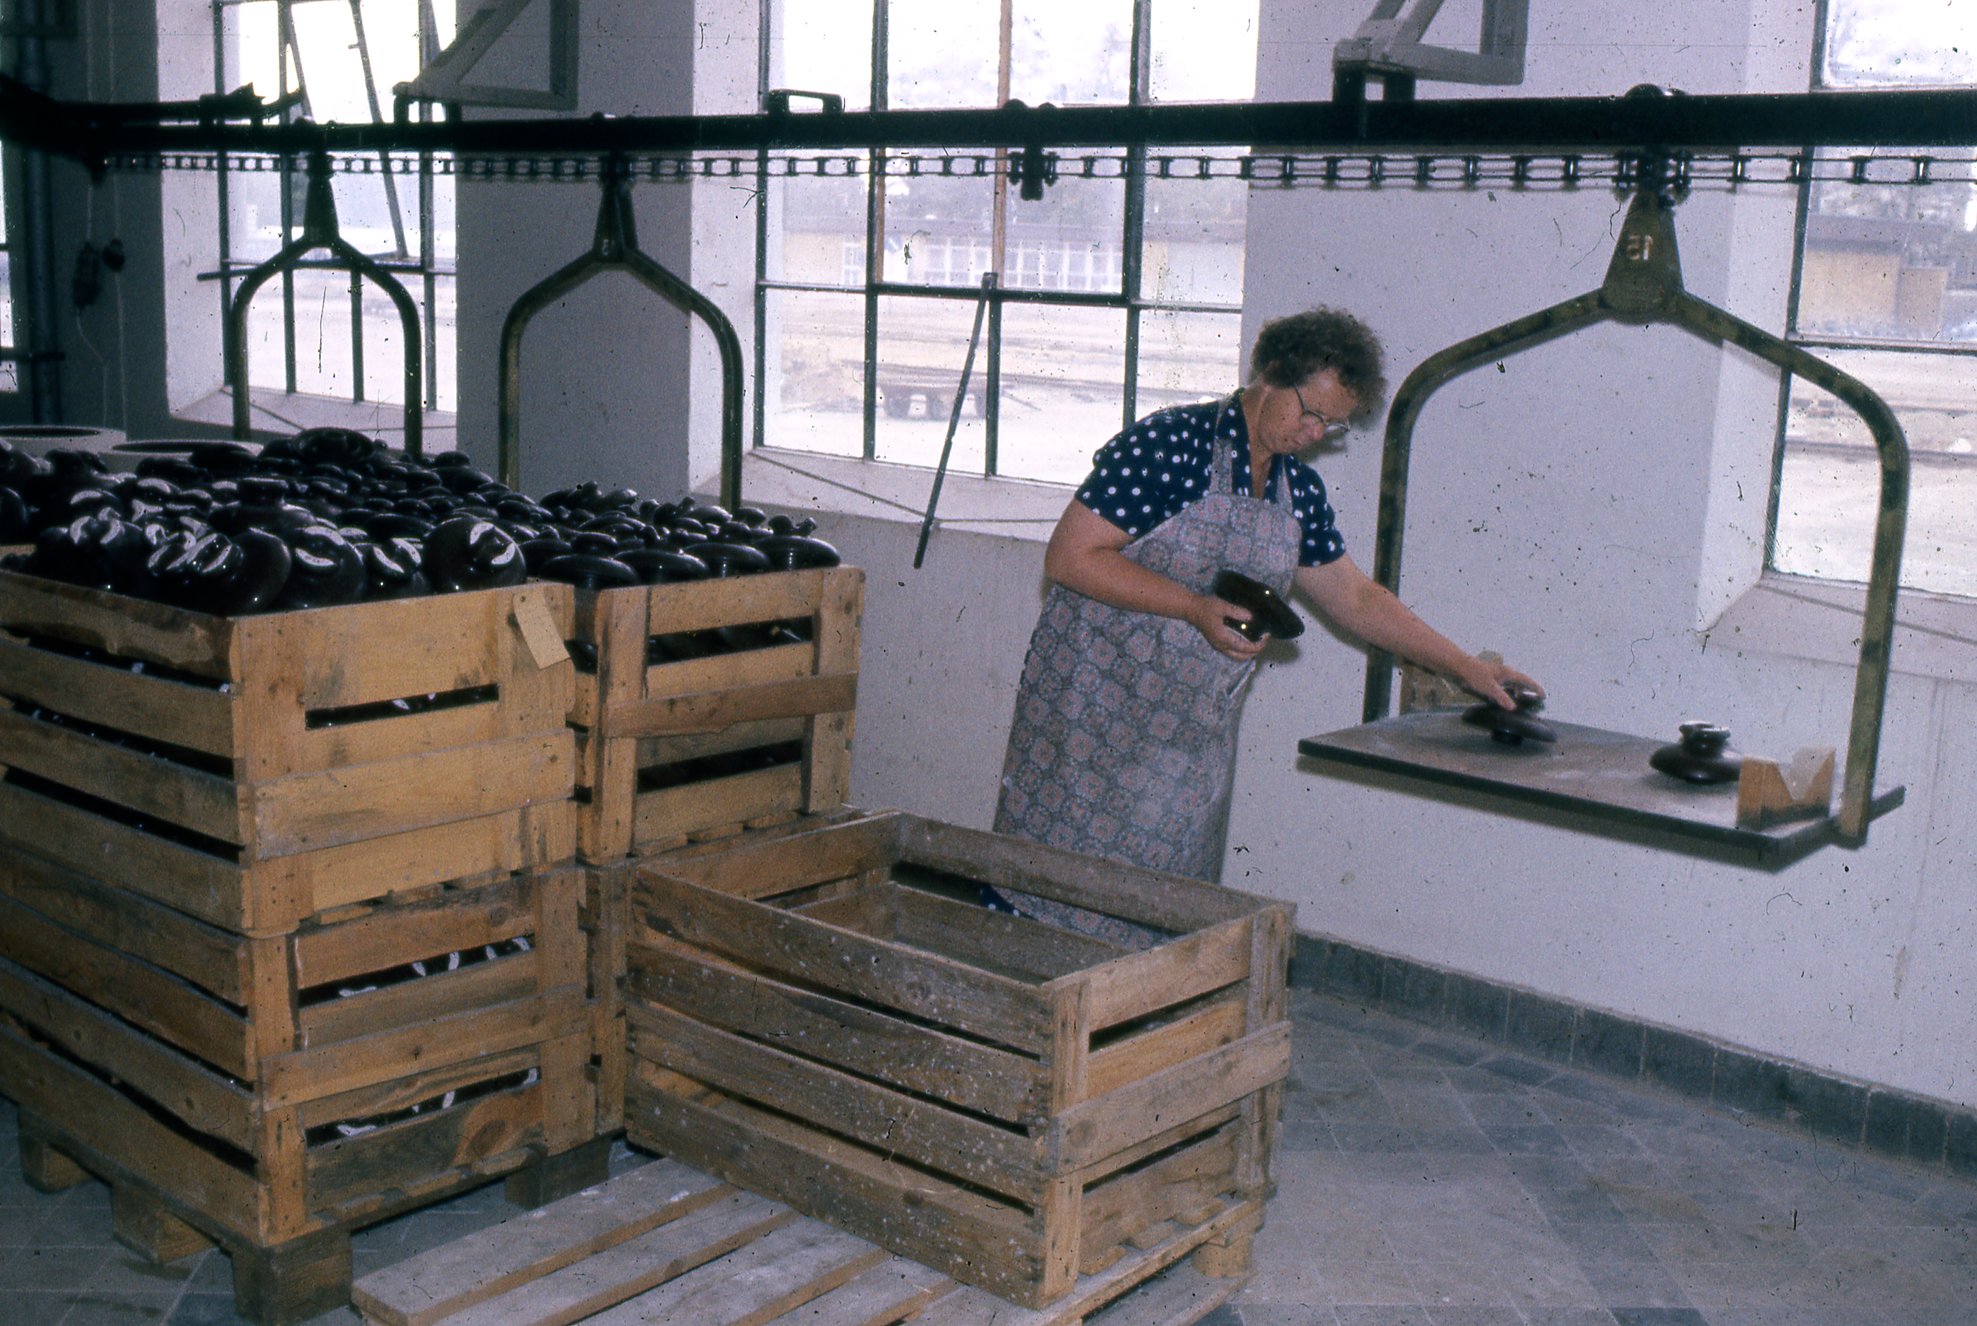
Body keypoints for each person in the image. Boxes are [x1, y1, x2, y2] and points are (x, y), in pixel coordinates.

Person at [991, 307, 1541, 930]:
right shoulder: (1171, 445)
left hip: (1186, 731)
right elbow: (1069, 557)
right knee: (1051, 889)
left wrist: (1469, 669)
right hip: (1087, 710)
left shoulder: (1295, 491)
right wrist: (1194, 607)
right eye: (1310, 412)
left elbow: (1357, 599)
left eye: (1332, 426)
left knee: (1157, 904)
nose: (1315, 433)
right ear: (1273, 375)